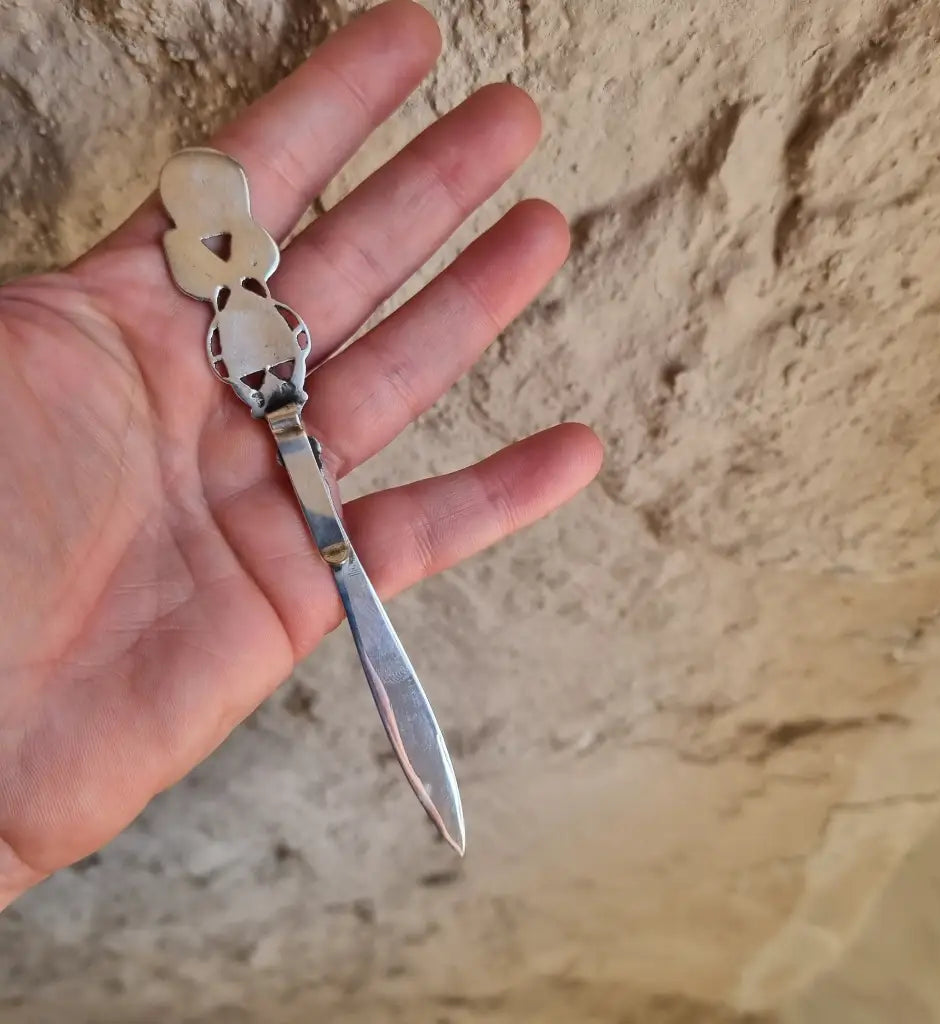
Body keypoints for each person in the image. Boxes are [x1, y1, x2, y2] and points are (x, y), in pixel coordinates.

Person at [0, 0, 602, 909]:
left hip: (278, 393)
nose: (218, 246)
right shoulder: (230, 334)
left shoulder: (264, 326)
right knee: (350, 581)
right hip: (267, 396)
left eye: (231, 239)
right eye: (206, 243)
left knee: (354, 583)